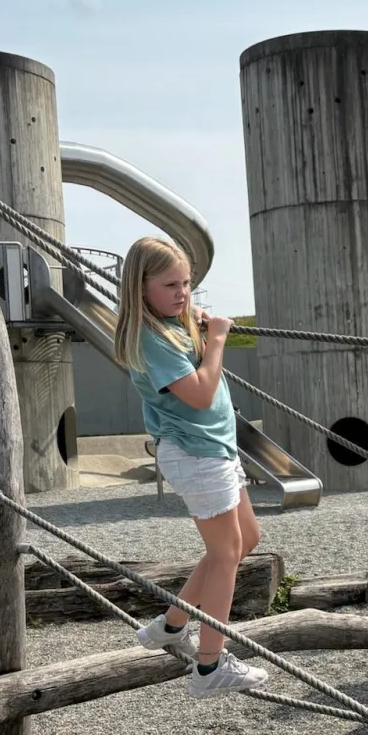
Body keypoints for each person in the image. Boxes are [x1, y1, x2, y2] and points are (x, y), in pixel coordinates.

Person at [114, 236, 267, 697]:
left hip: (214, 448)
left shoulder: (172, 327)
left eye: (187, 284)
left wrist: (200, 328)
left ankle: (172, 624)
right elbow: (200, 394)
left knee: (247, 540)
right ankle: (209, 667)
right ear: (141, 288)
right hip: (195, 452)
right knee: (225, 555)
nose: (182, 294)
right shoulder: (149, 337)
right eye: (170, 285)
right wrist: (217, 339)